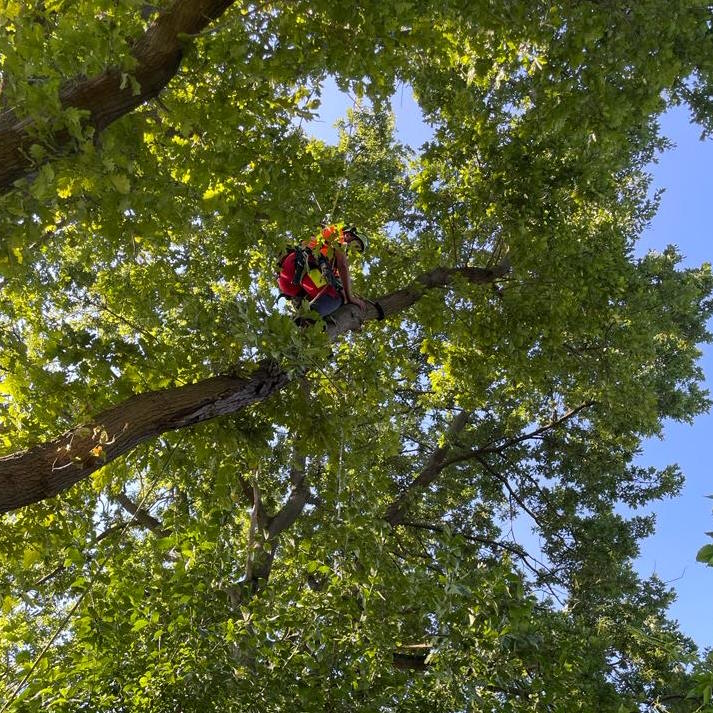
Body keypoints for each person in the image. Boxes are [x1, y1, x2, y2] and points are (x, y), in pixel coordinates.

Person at [277, 224, 368, 319]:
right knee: (335, 298)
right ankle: (307, 320)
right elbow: (343, 266)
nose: (354, 251)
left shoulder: (332, 263)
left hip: (292, 284)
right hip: (302, 266)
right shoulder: (336, 233)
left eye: (358, 250)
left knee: (334, 302)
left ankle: (304, 322)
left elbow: (337, 282)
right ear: (349, 235)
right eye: (356, 246)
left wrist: (345, 294)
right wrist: (350, 298)